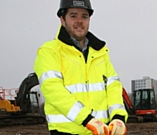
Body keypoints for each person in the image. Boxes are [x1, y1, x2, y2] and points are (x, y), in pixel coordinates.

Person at [33, 0, 128, 135]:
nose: (79, 21)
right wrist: (86, 119)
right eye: (73, 16)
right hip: (66, 132)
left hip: (102, 132)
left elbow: (113, 86)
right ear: (62, 19)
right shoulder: (49, 51)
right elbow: (53, 91)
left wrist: (118, 117)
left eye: (84, 16)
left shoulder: (101, 52)